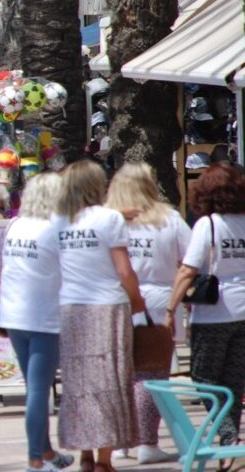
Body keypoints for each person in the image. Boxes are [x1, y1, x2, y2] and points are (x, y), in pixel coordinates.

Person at [55, 160, 144, 472]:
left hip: (70, 308)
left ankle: (85, 455)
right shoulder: (109, 219)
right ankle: (105, 460)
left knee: (78, 384)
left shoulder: (57, 221)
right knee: (111, 381)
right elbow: (124, 270)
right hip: (109, 306)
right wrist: (137, 300)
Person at [0, 173, 76, 472]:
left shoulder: (15, 224)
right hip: (43, 317)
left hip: (13, 315)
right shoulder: (57, 227)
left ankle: (47, 452)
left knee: (34, 388)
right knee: (39, 391)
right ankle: (34, 461)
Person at [105, 162, 187, 464]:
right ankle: (147, 443)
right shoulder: (170, 219)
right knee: (151, 374)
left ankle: (117, 443)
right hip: (159, 301)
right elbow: (193, 260)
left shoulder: (107, 221)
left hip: (116, 300)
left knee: (117, 373)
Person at [169, 163, 245, 450]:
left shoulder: (208, 224)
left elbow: (188, 270)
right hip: (243, 311)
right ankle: (230, 437)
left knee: (204, 376)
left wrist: (169, 310)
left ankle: (225, 432)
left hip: (214, 313)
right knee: (233, 380)